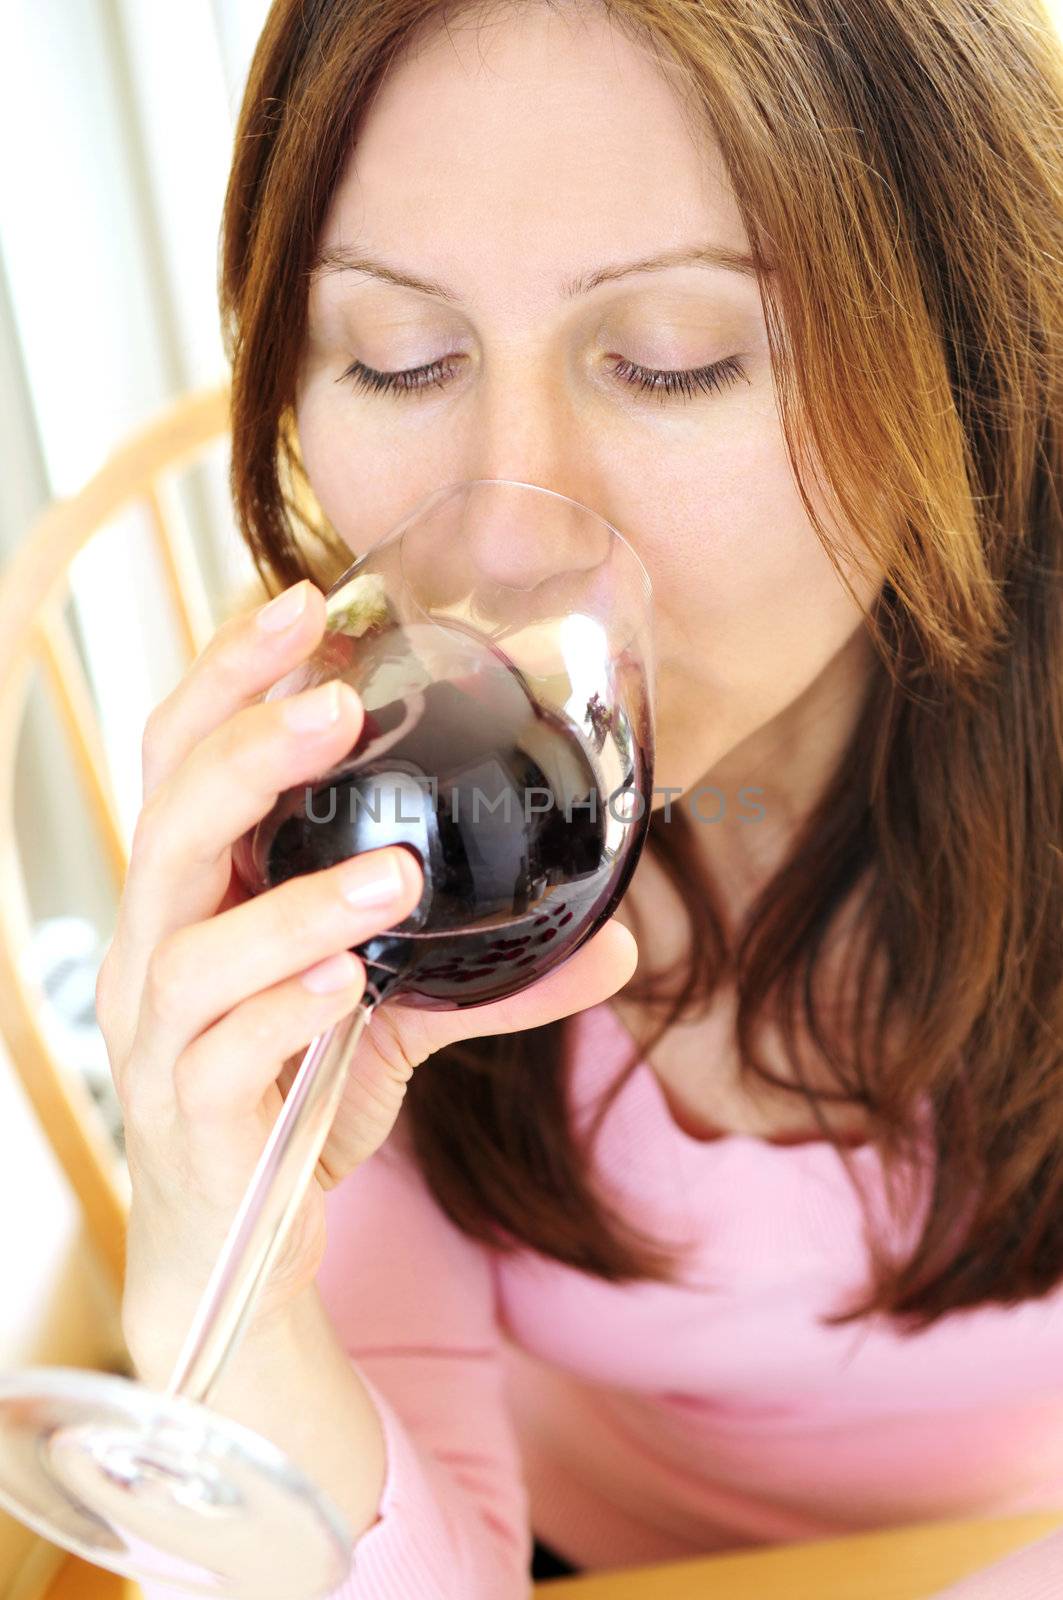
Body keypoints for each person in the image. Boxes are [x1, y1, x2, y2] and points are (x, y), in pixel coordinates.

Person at [98, 0, 1063, 1594]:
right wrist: (226, 1279)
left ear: (967, 354)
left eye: (674, 366)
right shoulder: (371, 821)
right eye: (399, 361)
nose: (507, 535)